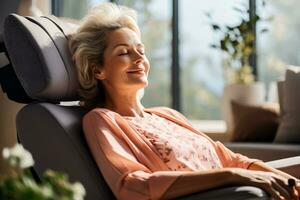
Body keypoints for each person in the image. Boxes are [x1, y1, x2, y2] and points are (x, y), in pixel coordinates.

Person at [69, 2, 300, 200]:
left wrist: (285, 180)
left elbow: (230, 159)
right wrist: (231, 176)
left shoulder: (167, 115)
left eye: (141, 50)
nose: (139, 58)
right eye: (123, 52)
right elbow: (133, 186)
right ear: (98, 69)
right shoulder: (101, 120)